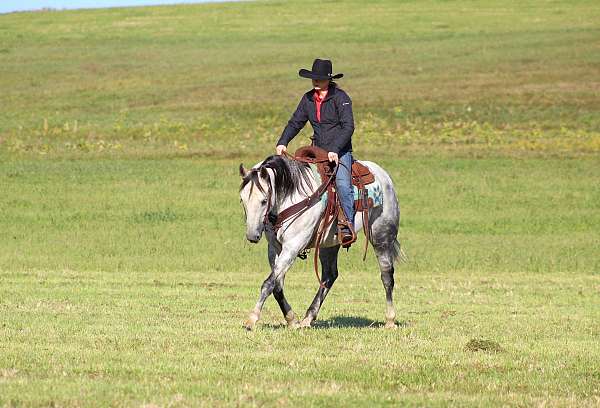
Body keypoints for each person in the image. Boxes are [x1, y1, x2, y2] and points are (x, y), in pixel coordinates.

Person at [276, 58, 356, 245]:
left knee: (343, 184)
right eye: (314, 78)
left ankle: (347, 225)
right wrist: (283, 142)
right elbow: (296, 122)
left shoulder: (341, 98)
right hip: (316, 151)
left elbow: (348, 127)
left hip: (340, 152)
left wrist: (336, 149)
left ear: (328, 79)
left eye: (319, 78)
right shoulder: (308, 98)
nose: (315, 81)